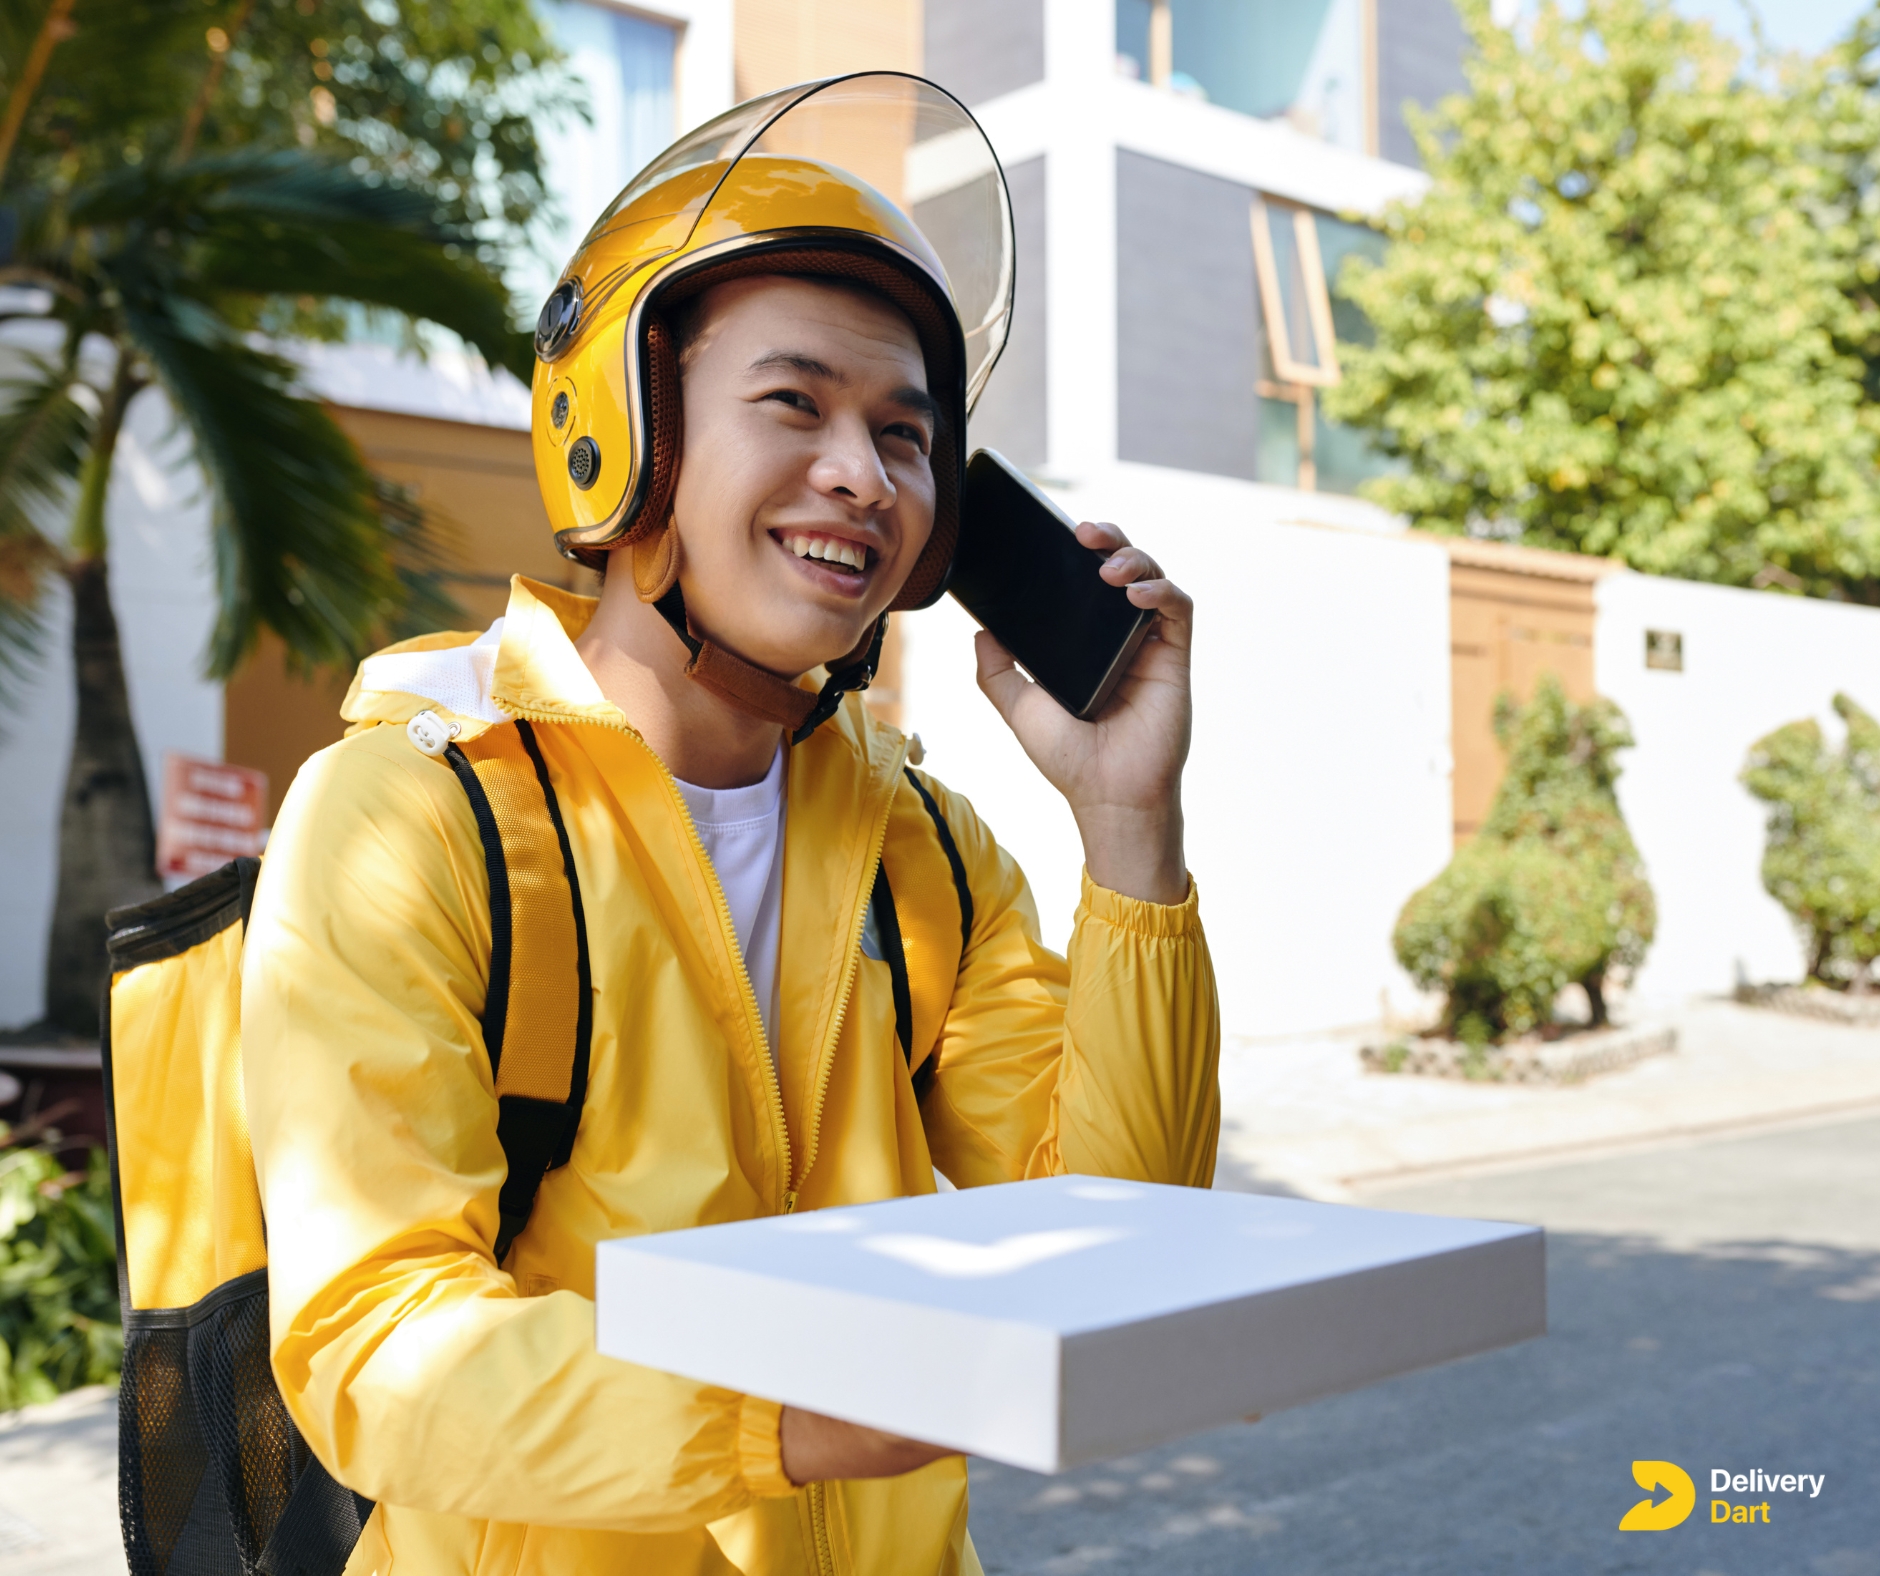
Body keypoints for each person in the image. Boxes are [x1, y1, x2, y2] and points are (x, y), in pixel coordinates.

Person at [242, 75, 1219, 1576]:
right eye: (794, 402)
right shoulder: (416, 814)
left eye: (907, 435)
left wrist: (1130, 834)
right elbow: (376, 1351)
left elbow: (1113, 1239)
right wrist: (791, 1415)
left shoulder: (927, 851)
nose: (864, 473)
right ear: (625, 430)